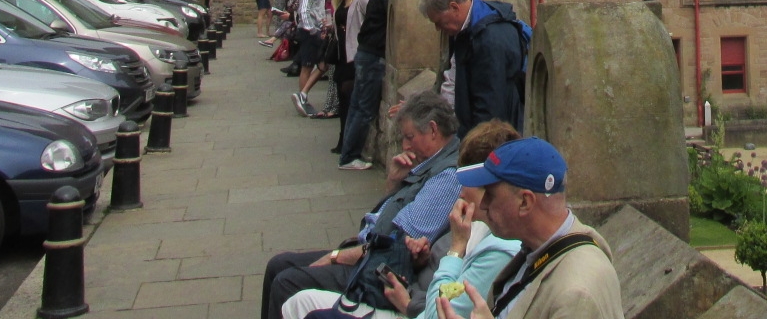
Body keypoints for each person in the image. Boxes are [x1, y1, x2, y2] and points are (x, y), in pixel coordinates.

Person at [283, 120, 524, 319]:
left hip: (405, 302)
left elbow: (437, 312)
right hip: (399, 283)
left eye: (410, 137)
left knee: (294, 293)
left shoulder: (494, 244)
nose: (460, 191)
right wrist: (422, 255)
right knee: (293, 292)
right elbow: (388, 226)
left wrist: (455, 250)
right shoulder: (474, 221)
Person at [261, 91, 463, 319]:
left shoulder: (447, 177)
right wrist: (394, 181)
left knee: (287, 282)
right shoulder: (428, 164)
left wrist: (335, 257)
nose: (405, 145)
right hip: (368, 254)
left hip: (378, 272)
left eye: (410, 137)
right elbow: (387, 219)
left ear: (433, 130)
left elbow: (395, 245)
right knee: (278, 265)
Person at [436, 138, 620, 319]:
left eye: (490, 194)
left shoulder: (576, 293)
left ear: (525, 202)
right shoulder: (538, 249)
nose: (483, 204)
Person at [420, 0, 525, 136]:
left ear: (454, 7)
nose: (438, 28)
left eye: (439, 22)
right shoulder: (468, 29)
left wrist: (476, 144)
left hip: (491, 136)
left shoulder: (489, 39)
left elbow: (490, 106)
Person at [340, 0, 413, 169]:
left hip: (365, 52)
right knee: (364, 109)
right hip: (372, 56)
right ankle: (349, 157)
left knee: (356, 105)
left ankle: (348, 152)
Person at [319, 0, 369, 134]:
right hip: (341, 54)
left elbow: (371, 23)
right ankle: (343, 138)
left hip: (354, 55)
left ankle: (348, 138)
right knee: (342, 98)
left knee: (349, 97)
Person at [294, 0, 334, 115]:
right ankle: (302, 98)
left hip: (316, 29)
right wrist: (311, 29)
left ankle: (303, 95)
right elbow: (304, 9)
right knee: (308, 66)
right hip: (309, 32)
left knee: (323, 64)